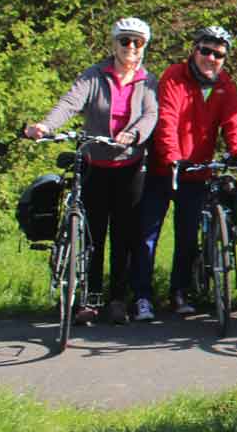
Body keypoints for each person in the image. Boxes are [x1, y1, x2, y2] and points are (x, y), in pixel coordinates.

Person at [25, 18, 159, 326]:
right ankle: (90, 298)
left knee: (124, 237)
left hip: (130, 167)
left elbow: (151, 114)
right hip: (95, 167)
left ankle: (116, 300)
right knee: (92, 234)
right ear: (113, 44)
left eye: (137, 42)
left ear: (144, 47)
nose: (130, 47)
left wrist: (134, 134)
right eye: (125, 41)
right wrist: (46, 126)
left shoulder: (148, 81)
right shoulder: (94, 75)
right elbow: (70, 103)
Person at [140, 26, 237, 319]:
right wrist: (173, 157)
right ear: (194, 49)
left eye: (219, 54)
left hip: (197, 171)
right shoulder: (174, 75)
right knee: (148, 235)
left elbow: (233, 121)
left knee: (187, 237)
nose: (211, 58)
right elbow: (167, 120)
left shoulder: (224, 84)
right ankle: (142, 296)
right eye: (206, 51)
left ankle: (179, 292)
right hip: (165, 169)